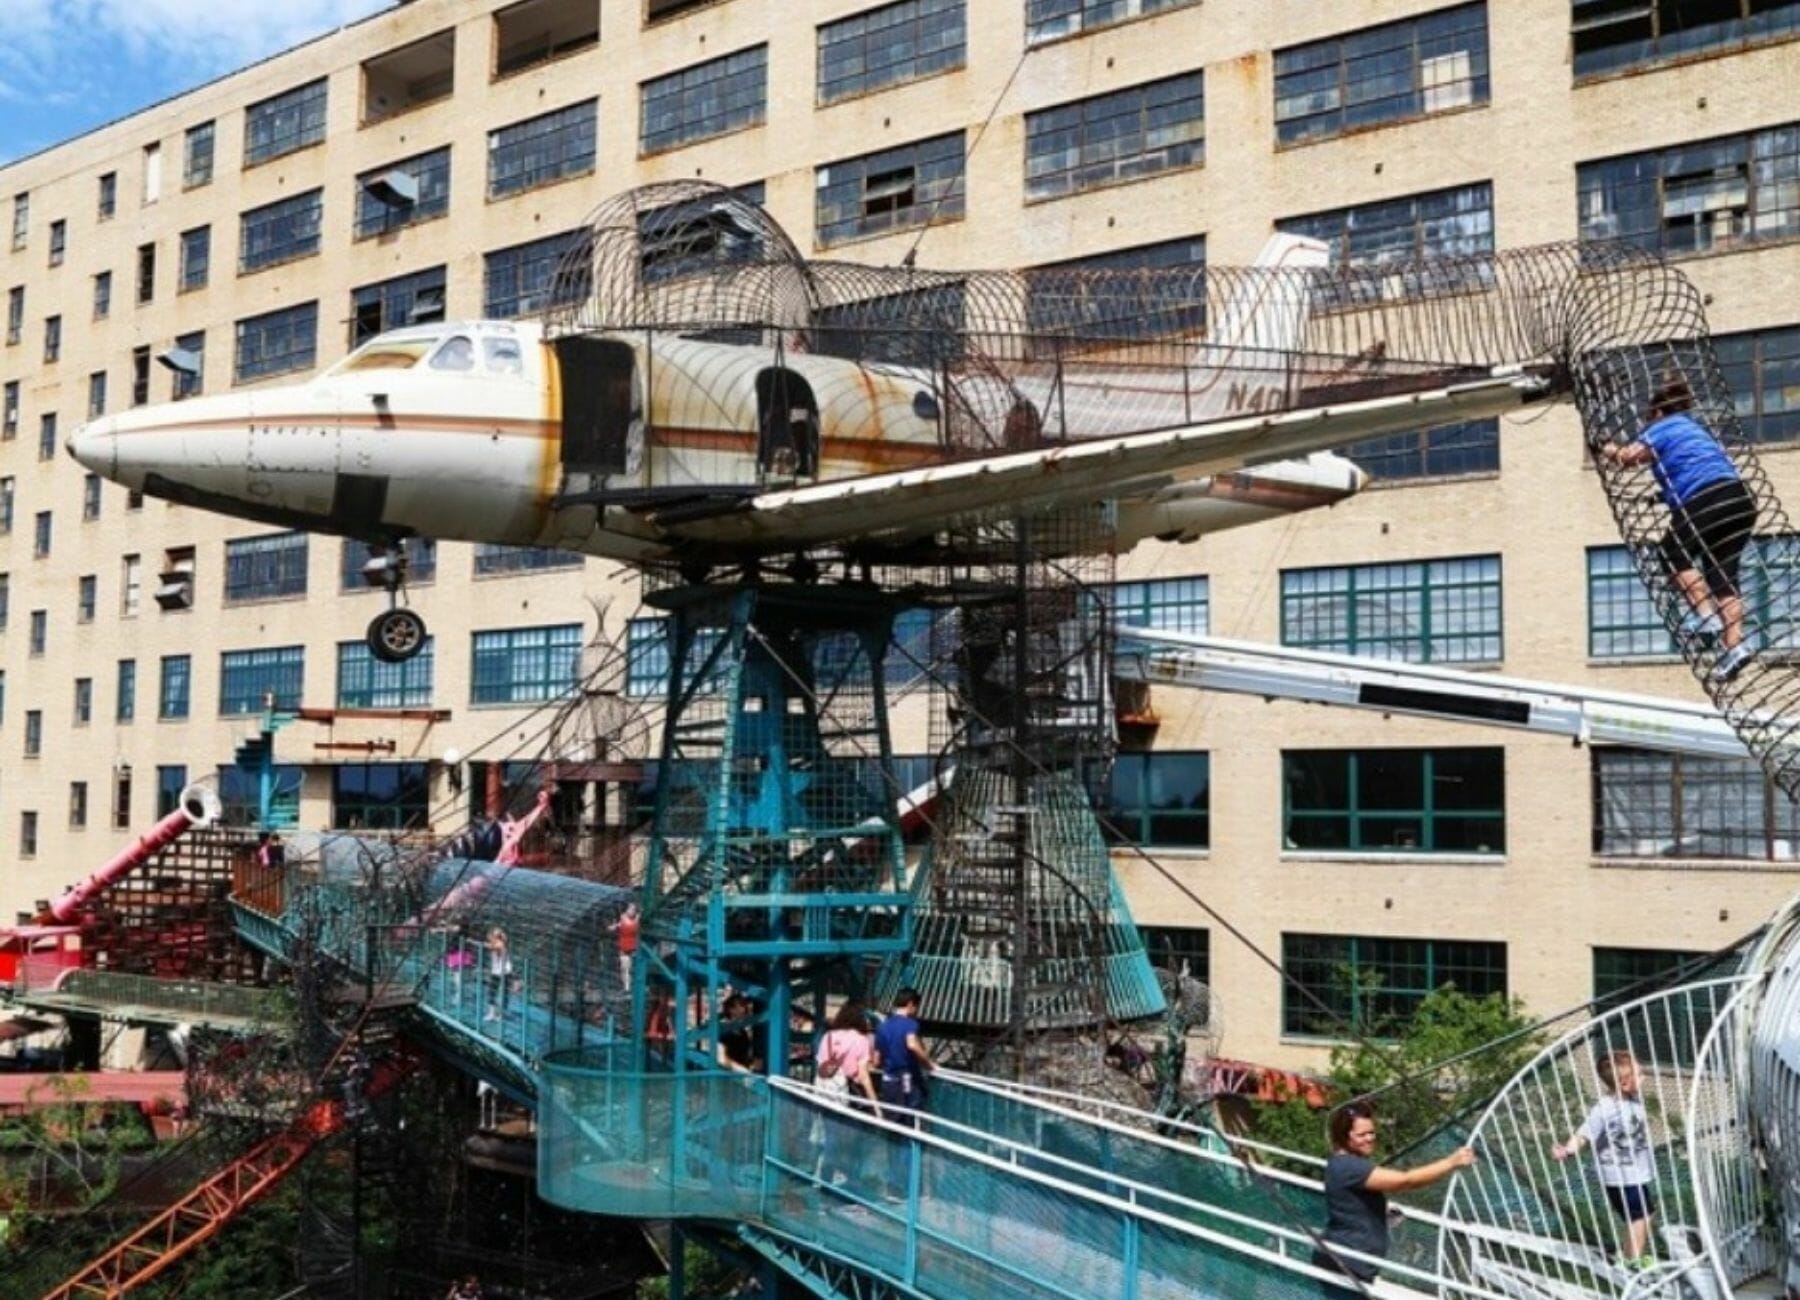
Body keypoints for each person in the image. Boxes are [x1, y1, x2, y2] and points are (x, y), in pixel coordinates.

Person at [1599, 377, 1758, 682]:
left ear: (1658, 412)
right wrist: (1662, 496)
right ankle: (1734, 647)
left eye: (1648, 417)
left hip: (1705, 498)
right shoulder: (1695, 429)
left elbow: (1628, 458)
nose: (1645, 424)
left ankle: (1706, 617)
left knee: (1672, 555)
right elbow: (1690, 466)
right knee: (1721, 576)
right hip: (1739, 500)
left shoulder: (1663, 425)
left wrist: (1602, 447)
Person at [1313, 1103, 1476, 1294]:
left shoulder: (1344, 1162)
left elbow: (1352, 1199)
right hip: (1346, 1264)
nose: (1370, 1139)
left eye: (1371, 1132)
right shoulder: (1349, 1167)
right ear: (1344, 1136)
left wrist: (1379, 1212)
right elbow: (1405, 1181)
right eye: (1361, 1135)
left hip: (1353, 1263)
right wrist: (1451, 1162)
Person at [1553, 1050, 1657, 1269]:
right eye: (1640, 1074)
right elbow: (1584, 1134)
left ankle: (1630, 1257)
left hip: (1636, 1173)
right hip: (1621, 1176)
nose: (1645, 1076)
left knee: (1643, 1215)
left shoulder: (1632, 1097)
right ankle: (1631, 1261)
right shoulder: (1604, 1108)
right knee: (1640, 1217)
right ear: (1625, 1084)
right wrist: (1568, 1150)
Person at [873, 988, 936, 1199]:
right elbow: (912, 1044)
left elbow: (876, 1060)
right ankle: (911, 1187)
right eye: (916, 1006)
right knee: (912, 1131)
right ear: (910, 1004)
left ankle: (893, 1187)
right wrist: (929, 1064)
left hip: (888, 1082)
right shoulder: (910, 1024)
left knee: (893, 1133)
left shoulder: (883, 1026)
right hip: (907, 1082)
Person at [815, 1001, 880, 1186]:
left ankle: (825, 1179)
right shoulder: (861, 1040)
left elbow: (821, 1066)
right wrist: (876, 1105)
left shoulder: (827, 1036)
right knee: (854, 1142)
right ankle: (851, 1180)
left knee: (831, 1139)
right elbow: (864, 1076)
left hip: (827, 1096)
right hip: (851, 1097)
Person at [716, 993, 763, 1073]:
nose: (745, 1009)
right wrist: (740, 1069)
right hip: (727, 1078)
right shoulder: (723, 1030)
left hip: (742, 1077)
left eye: (744, 1005)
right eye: (741, 1005)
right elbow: (721, 1058)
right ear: (731, 1009)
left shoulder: (742, 1031)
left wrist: (752, 1063)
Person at [609, 902, 640, 992]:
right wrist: (612, 927)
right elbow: (617, 926)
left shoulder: (638, 918)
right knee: (624, 967)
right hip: (624, 947)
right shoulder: (623, 918)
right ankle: (626, 987)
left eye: (633, 909)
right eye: (630, 909)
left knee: (631, 967)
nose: (632, 911)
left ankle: (632, 986)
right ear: (626, 910)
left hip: (634, 947)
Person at [484, 927, 511, 1024]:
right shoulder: (495, 943)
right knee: (492, 992)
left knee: (503, 993)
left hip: (504, 972)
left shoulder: (500, 944)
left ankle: (501, 1014)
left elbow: (495, 947)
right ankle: (492, 1013)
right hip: (496, 971)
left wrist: (483, 944)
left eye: (492, 936)